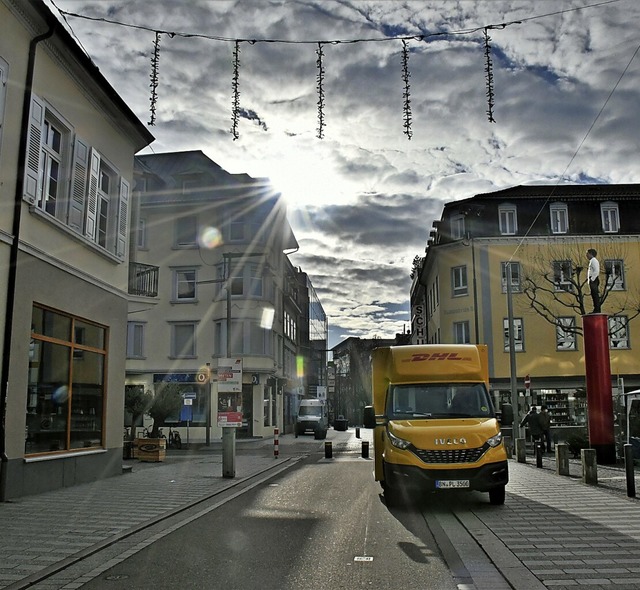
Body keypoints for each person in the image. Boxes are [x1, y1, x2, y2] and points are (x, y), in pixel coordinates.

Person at [587, 248, 601, 313]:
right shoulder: (592, 261)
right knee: (593, 295)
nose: (587, 255)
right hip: (593, 279)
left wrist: (592, 279)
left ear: (591, 254)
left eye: (588, 254)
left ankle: (597, 309)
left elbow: (596, 271)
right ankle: (596, 309)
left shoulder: (594, 261)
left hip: (594, 279)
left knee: (595, 295)